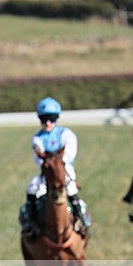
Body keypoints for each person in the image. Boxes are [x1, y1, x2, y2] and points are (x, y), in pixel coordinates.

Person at [22, 96, 88, 237]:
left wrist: (55, 162)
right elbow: (38, 158)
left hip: (64, 168)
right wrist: (49, 164)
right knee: (32, 188)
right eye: (44, 119)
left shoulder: (66, 134)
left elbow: (69, 154)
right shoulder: (37, 138)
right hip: (46, 170)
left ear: (56, 118)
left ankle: (80, 220)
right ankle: (31, 223)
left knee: (70, 188)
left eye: (51, 119)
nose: (47, 123)